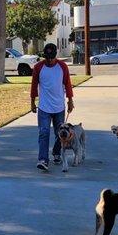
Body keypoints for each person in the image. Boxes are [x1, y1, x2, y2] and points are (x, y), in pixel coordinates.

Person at [30, 43, 74, 172]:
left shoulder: (62, 67)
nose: (49, 60)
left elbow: (68, 84)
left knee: (59, 133)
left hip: (59, 107)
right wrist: (32, 101)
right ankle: (43, 160)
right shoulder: (38, 67)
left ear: (55, 55)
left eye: (51, 57)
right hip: (44, 107)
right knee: (44, 133)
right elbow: (33, 86)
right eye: (47, 57)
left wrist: (70, 100)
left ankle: (56, 153)